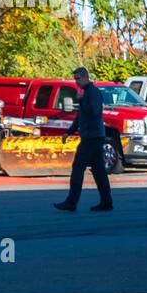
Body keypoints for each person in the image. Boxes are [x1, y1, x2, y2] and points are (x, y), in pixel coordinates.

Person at [54, 66, 113, 212]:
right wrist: (69, 132)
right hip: (92, 136)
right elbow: (80, 116)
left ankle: (71, 202)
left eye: (78, 78)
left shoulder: (93, 93)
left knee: (78, 168)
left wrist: (81, 101)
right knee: (99, 171)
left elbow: (93, 112)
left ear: (86, 77)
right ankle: (106, 202)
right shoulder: (86, 93)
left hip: (92, 138)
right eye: (75, 79)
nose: (76, 82)